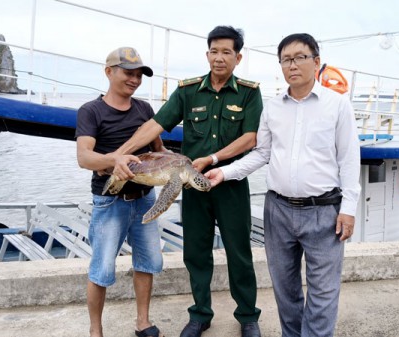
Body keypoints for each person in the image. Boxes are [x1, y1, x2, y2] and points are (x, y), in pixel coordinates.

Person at [205, 33, 361, 337]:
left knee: (323, 293)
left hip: (324, 211)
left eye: (300, 57)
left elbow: (349, 160)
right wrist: (223, 173)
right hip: (278, 210)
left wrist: (349, 209)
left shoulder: (338, 105)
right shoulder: (273, 108)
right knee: (285, 290)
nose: (292, 65)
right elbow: (261, 154)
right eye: (286, 59)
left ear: (316, 62)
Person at [111, 26, 263, 337]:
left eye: (226, 52)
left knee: (239, 252)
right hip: (191, 185)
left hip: (230, 184)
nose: (219, 58)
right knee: (195, 250)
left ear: (238, 57)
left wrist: (213, 159)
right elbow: (154, 125)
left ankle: (248, 315)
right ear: (207, 54)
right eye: (214, 51)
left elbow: (250, 138)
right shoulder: (188, 91)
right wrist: (119, 155)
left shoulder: (249, 92)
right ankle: (200, 314)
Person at [75, 47, 166, 337]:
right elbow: (84, 158)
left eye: (139, 74)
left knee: (148, 262)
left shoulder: (144, 110)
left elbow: (158, 151)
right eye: (129, 73)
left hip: (144, 199)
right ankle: (95, 331)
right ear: (109, 72)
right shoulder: (91, 111)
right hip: (109, 201)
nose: (135, 79)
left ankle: (143, 322)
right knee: (101, 269)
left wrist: (180, 163)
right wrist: (114, 160)